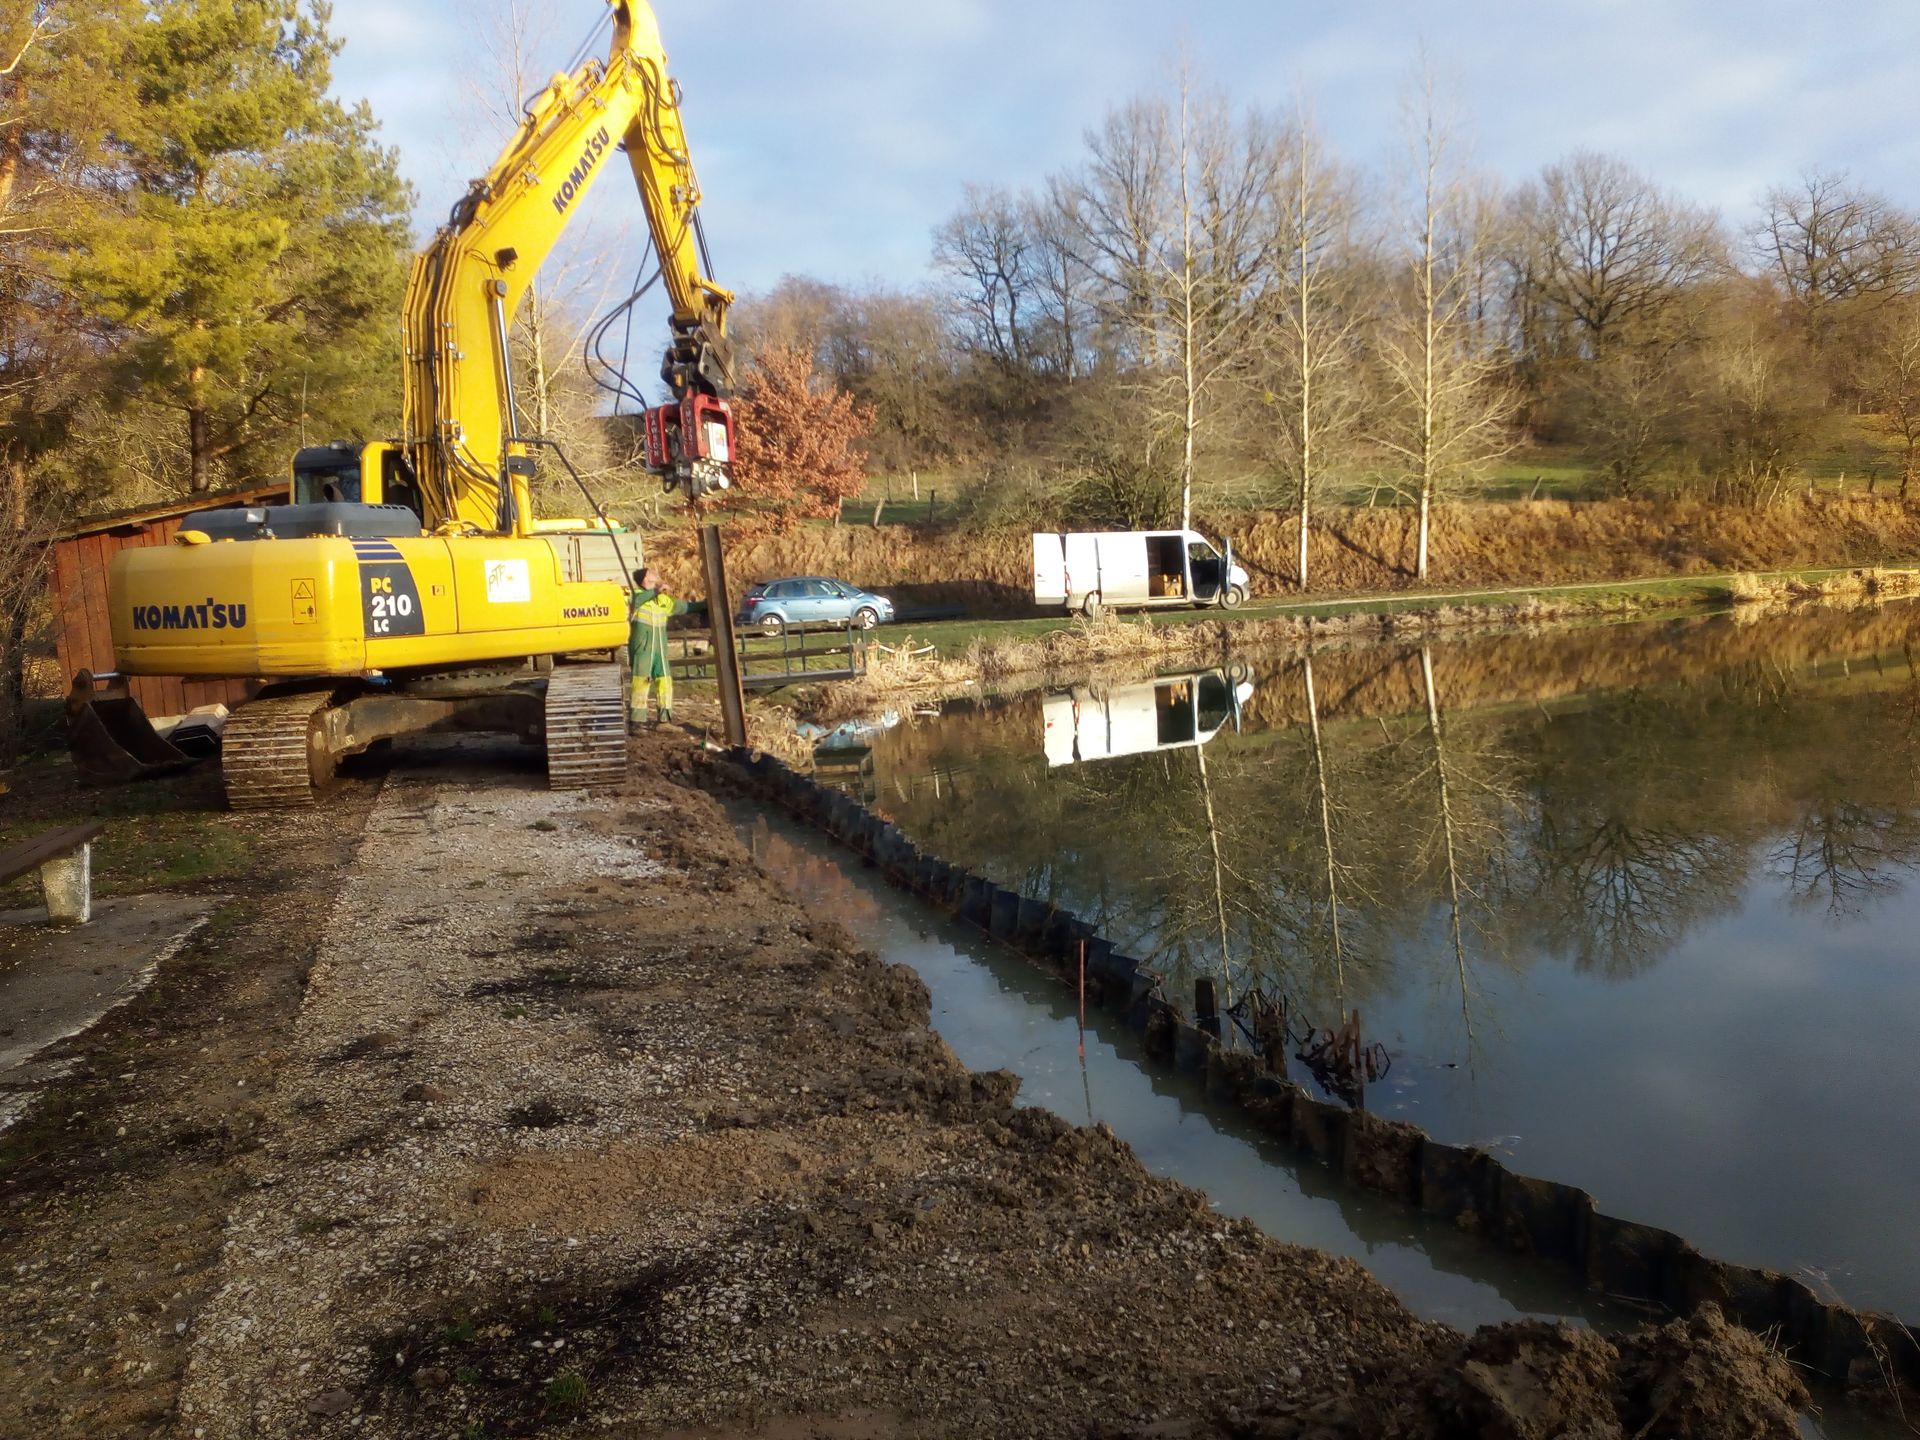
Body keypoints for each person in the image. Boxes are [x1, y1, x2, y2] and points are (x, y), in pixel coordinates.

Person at [628, 565, 706, 730]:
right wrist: (657, 591)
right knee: (641, 682)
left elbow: (684, 607)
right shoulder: (636, 596)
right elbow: (639, 600)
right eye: (652, 574)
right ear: (645, 580)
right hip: (643, 648)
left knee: (665, 682)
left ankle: (664, 721)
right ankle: (637, 722)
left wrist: (706, 604)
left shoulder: (663, 600)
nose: (656, 576)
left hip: (660, 650)